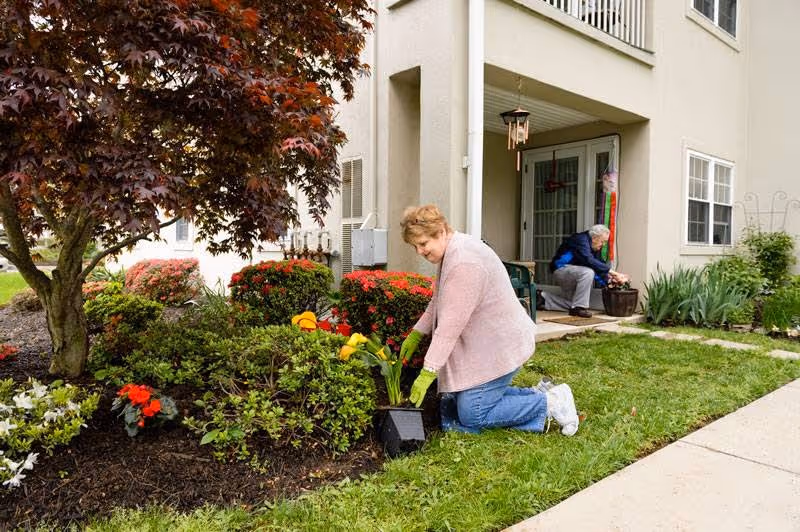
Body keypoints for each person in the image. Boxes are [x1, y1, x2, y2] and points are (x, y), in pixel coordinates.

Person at [398, 204, 579, 436]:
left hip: (502, 345)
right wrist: (417, 333)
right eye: (415, 246)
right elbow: (439, 300)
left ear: (441, 232)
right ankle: (540, 394)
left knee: (473, 412)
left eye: (423, 244)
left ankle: (550, 403)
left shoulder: (464, 262)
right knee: (462, 400)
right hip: (491, 343)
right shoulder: (452, 250)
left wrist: (428, 372)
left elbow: (450, 327)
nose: (420, 252)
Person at [537, 224, 628, 318]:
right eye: (603, 241)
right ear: (595, 238)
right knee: (587, 272)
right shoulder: (580, 239)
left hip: (574, 273)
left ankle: (543, 298)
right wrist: (616, 274)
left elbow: (597, 266)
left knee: (573, 303)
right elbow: (588, 260)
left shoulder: (594, 247)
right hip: (561, 269)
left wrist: (609, 282)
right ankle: (579, 308)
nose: (603, 245)